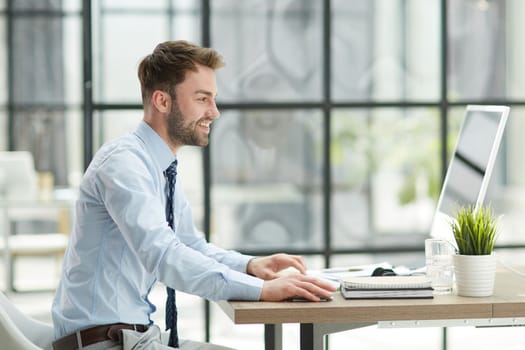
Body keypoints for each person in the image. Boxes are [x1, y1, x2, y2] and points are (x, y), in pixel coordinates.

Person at [51, 40, 336, 350]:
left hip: (133, 337)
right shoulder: (124, 164)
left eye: (213, 99)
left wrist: (250, 266)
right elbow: (164, 256)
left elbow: (189, 244)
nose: (214, 112)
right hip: (105, 344)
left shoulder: (160, 166)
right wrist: (261, 290)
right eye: (203, 99)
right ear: (162, 101)